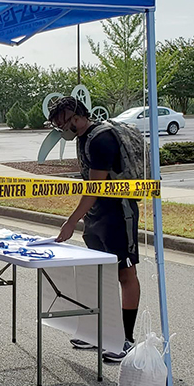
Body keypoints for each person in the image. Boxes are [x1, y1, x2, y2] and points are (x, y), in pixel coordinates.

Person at [49, 96, 140, 363]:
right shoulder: (83, 137)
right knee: (101, 273)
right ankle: (97, 332)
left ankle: (126, 337)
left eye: (61, 122)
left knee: (125, 272)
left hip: (118, 214)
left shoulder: (101, 139)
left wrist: (71, 221)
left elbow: (94, 188)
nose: (60, 128)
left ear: (76, 116)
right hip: (97, 215)